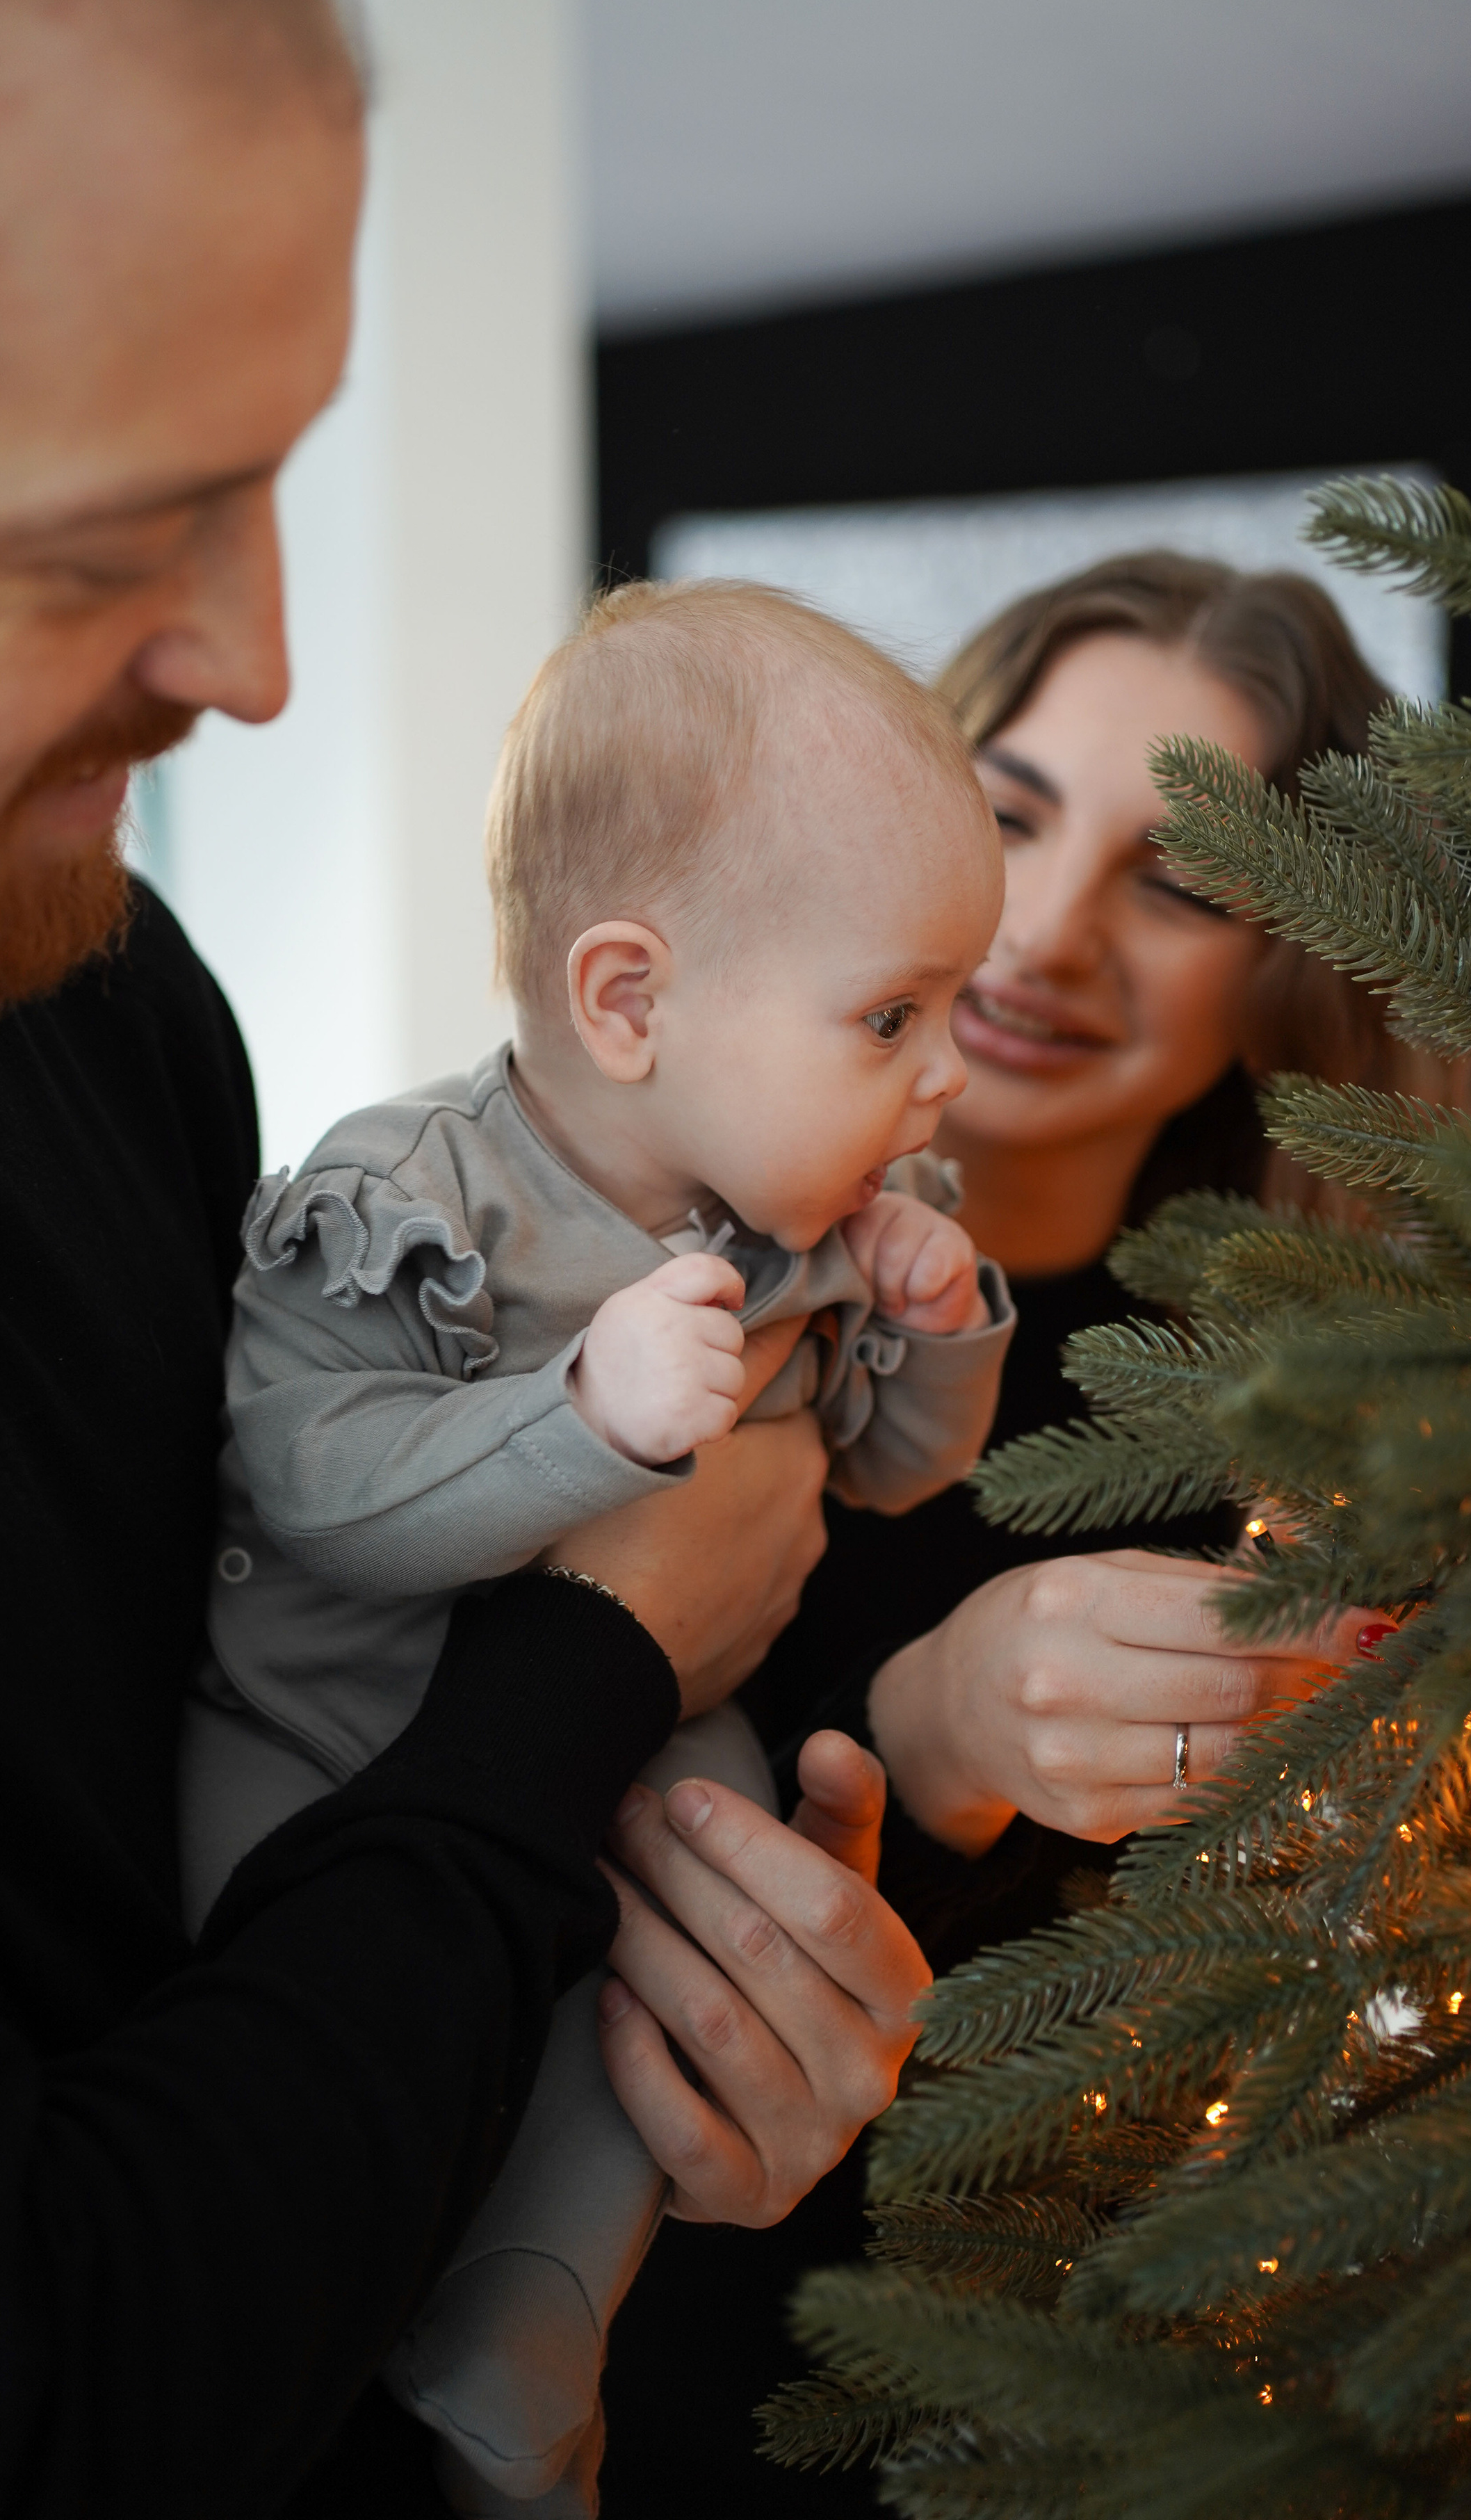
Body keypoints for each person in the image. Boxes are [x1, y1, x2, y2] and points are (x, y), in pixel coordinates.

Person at [0, 0, 930, 2514]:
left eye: (277, 473)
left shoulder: (87, 977)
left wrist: (638, 2033)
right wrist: (584, 1672)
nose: (258, 663)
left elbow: (239, 1813)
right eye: (101, 537)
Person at [183, 579, 1018, 2515]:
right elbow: (315, 1485)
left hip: (651, 1727)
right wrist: (578, 1421)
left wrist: (943, 1317)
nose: (946, 1073)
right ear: (629, 1002)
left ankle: (532, 2329)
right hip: (323, 1744)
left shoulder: (806, 1209)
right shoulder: (413, 1196)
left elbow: (897, 1474)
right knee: (319, 2057)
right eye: (892, 1016)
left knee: (679, 1976)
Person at [600, 552, 1414, 2517]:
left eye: (1182, 880)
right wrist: (927, 1730)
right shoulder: (636, 1290)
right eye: (1011, 819)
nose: (1044, 937)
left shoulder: (1347, 1422)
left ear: (1297, 967)